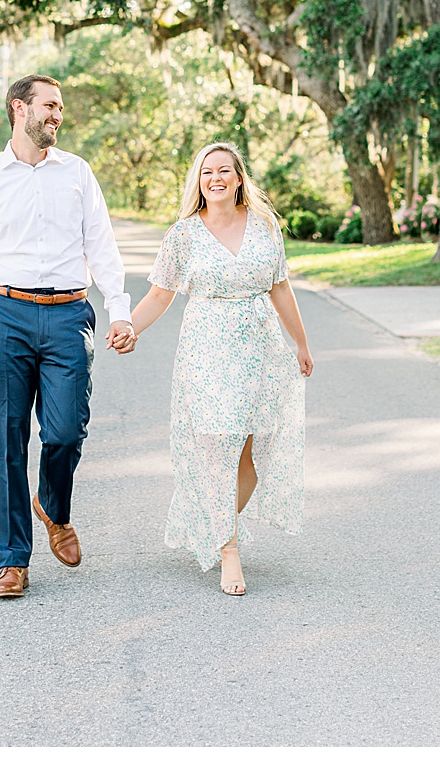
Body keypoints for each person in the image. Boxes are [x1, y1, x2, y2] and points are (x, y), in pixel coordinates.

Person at [0, 74, 132, 599]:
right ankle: (12, 560)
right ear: (18, 109)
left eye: (60, 107)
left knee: (67, 431)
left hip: (70, 315)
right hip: (4, 314)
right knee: (6, 441)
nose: (58, 115)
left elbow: (104, 246)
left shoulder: (77, 173)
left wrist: (120, 312)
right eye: (49, 105)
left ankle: (53, 504)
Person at [109, 142, 314, 595]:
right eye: (207, 172)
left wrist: (300, 342)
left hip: (261, 347)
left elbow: (281, 288)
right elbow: (161, 294)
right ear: (198, 183)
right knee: (217, 446)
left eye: (224, 170)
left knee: (254, 454)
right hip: (207, 349)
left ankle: (206, 515)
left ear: (239, 178)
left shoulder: (265, 226)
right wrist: (130, 328)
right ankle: (228, 551)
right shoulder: (183, 234)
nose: (215, 178)